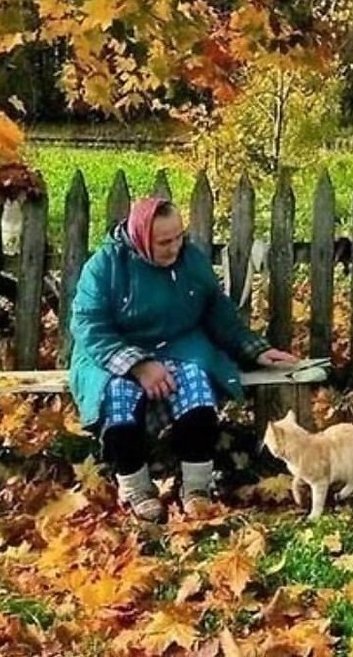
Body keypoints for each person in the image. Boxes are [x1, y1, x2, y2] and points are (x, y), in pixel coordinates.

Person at [68, 196, 297, 521]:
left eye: (179, 237)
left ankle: (196, 487)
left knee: (197, 393)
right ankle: (136, 488)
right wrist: (139, 365)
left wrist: (256, 349)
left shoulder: (191, 262)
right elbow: (88, 326)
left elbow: (220, 315)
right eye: (164, 242)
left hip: (178, 345)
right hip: (114, 352)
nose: (175, 247)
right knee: (118, 401)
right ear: (142, 238)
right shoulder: (105, 266)